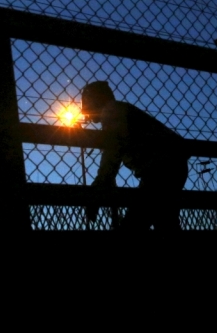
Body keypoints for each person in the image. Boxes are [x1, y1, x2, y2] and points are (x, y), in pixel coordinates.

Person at [80, 80, 189, 231]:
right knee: (165, 223)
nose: (84, 110)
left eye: (85, 102)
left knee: (133, 226)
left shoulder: (111, 110)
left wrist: (97, 191)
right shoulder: (119, 109)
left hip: (159, 171)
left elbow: (111, 156)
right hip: (172, 166)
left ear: (95, 99)